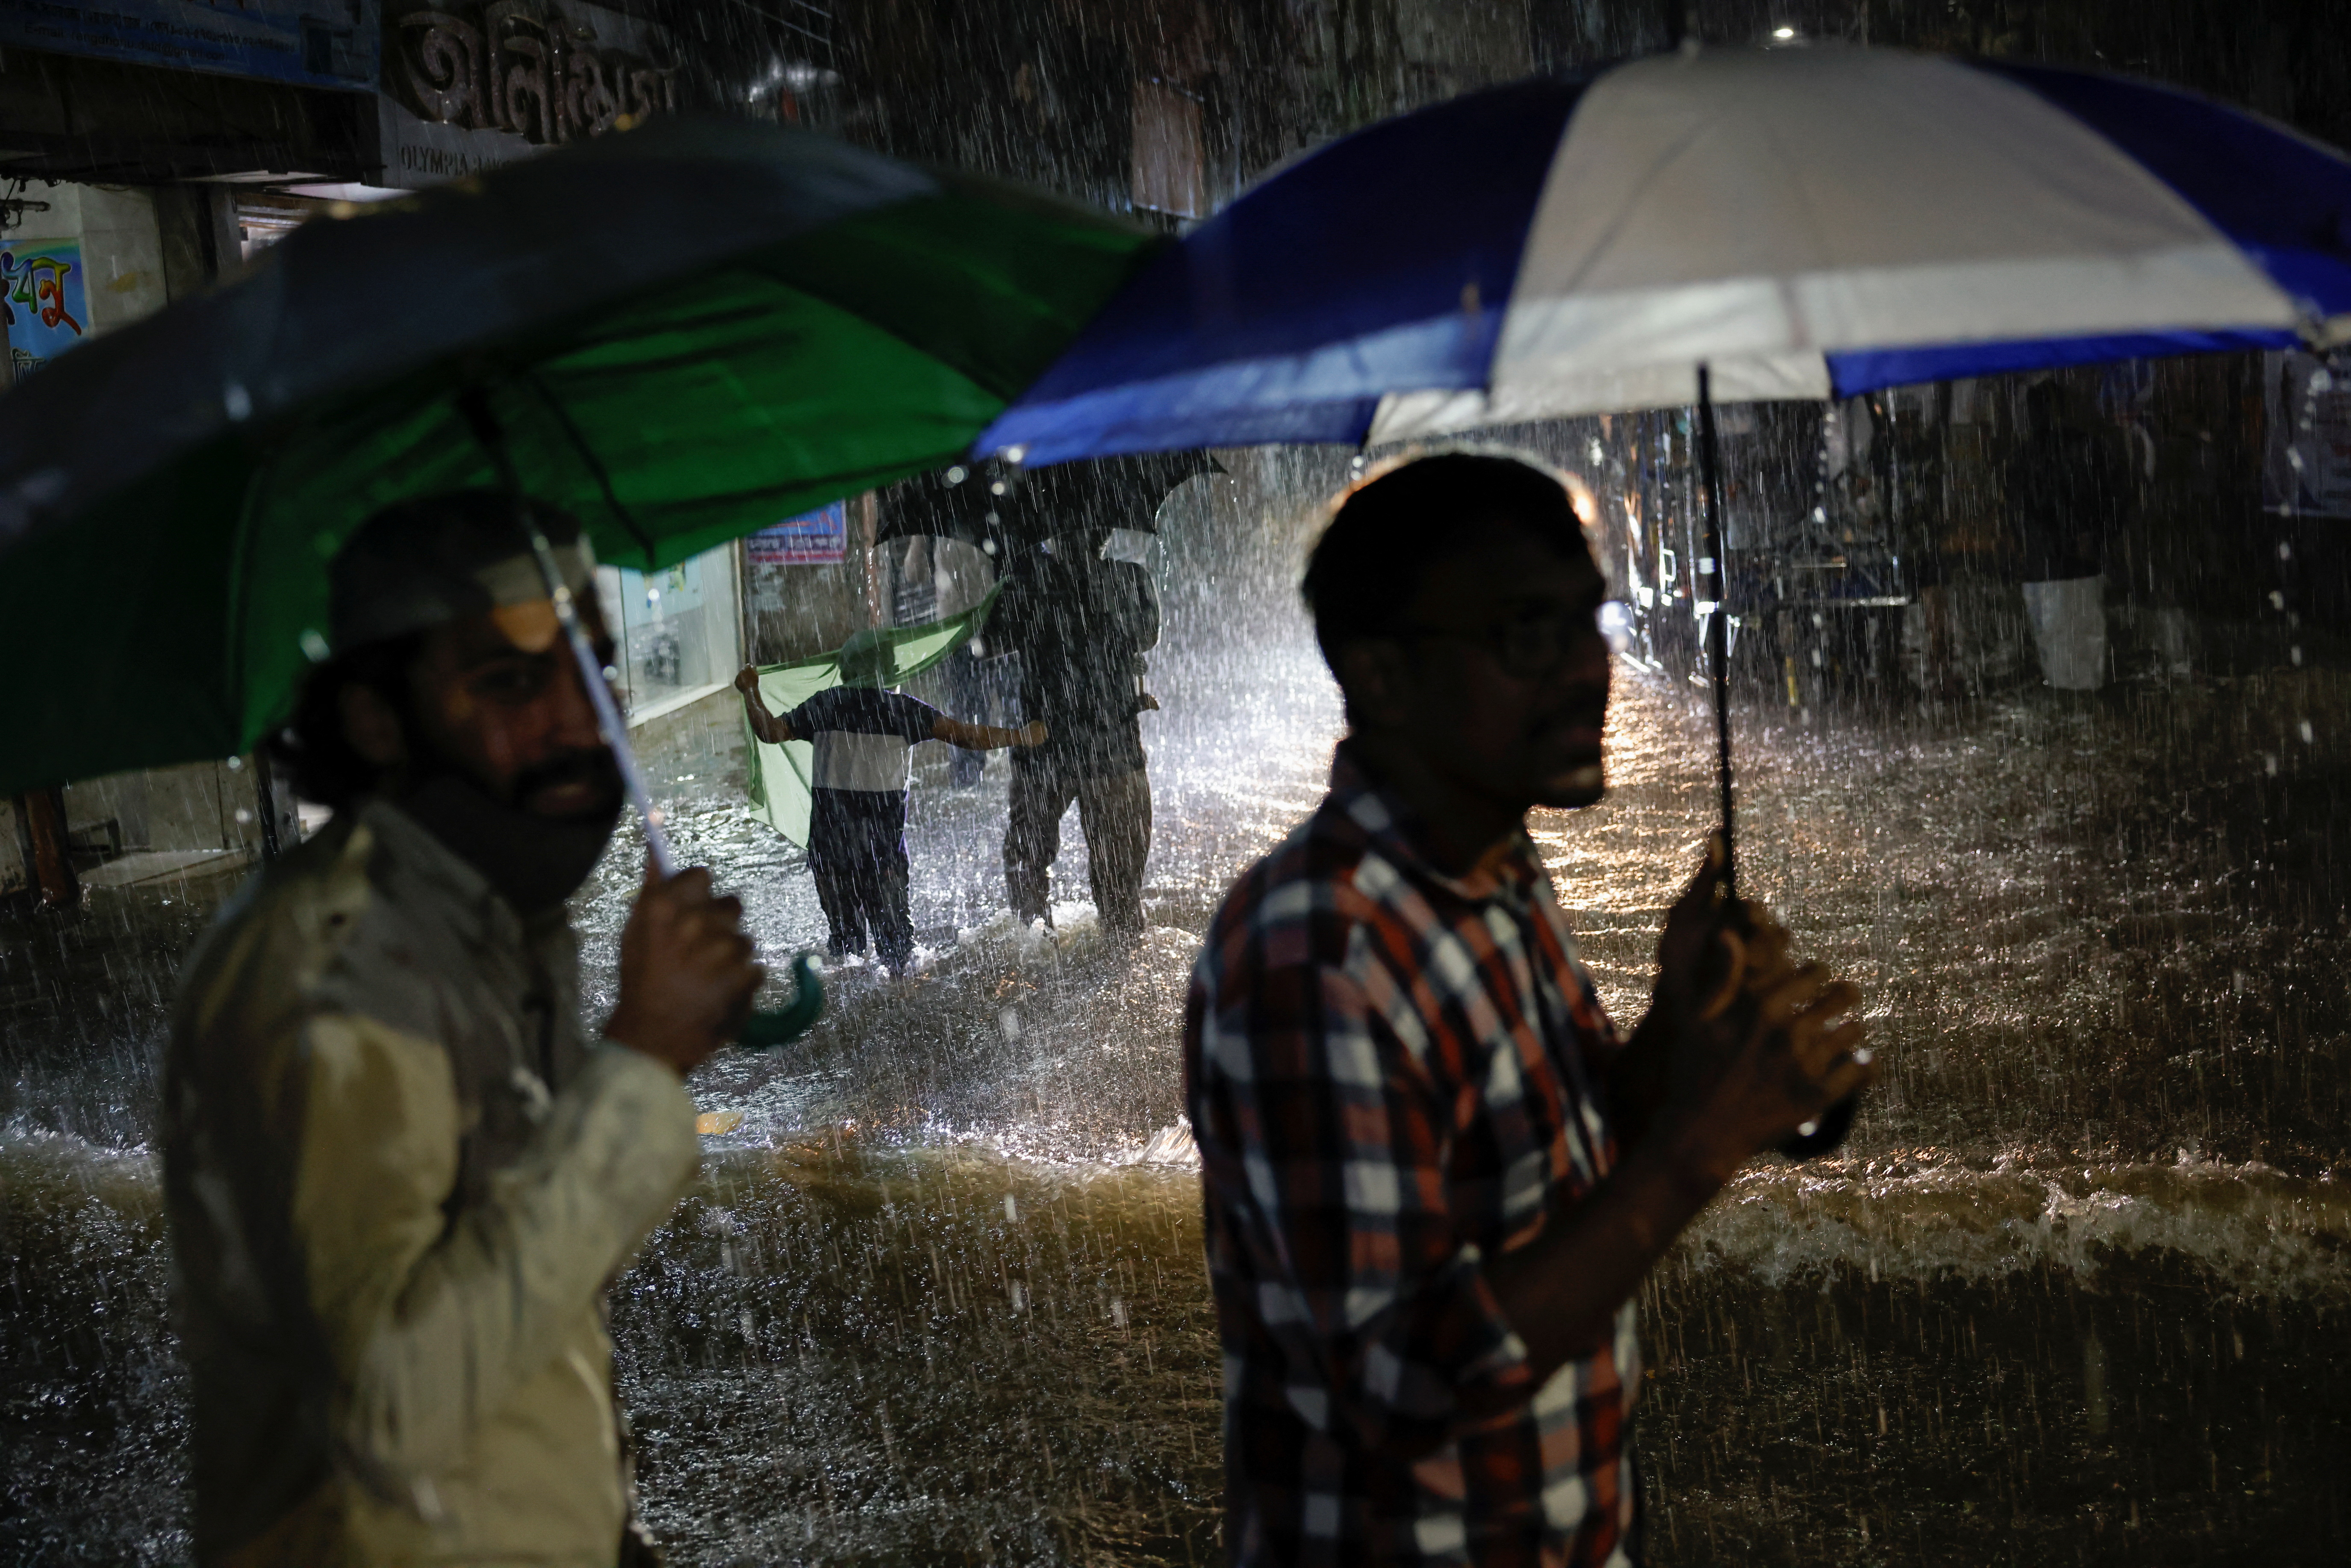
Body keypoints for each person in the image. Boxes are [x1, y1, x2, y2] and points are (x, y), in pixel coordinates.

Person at [1182, 453, 1875, 1566]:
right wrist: (1698, 1147)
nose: (1586, 674)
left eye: (1586, 621)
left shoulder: (1496, 870)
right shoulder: (1315, 958)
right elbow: (1401, 1383)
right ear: (1380, 674)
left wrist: (1678, 1038)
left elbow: (1548, 1158)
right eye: (1522, 634)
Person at [165, 491, 764, 1567]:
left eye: (590, 667)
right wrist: (637, 1057)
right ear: (376, 718)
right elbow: (392, 1411)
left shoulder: (482, 919)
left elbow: (513, 1292)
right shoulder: (336, 970)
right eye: (509, 682)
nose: (581, 722)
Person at [737, 629, 1044, 972]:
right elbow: (966, 736)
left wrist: (750, 690)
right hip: (883, 854)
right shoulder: (904, 712)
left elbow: (769, 731)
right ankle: (900, 1013)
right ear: (890, 668)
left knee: (845, 953)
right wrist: (1020, 736)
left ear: (847, 668)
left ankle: (845, 1018)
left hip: (831, 854)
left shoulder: (826, 705)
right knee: (899, 957)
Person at [989, 524, 1161, 934]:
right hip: (1099, 744)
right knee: (1113, 877)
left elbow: (990, 640)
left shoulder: (1032, 583)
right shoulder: (1123, 578)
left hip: (1059, 746)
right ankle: (1109, 954)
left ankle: (1039, 948)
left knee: (1033, 862)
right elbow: (995, 637)